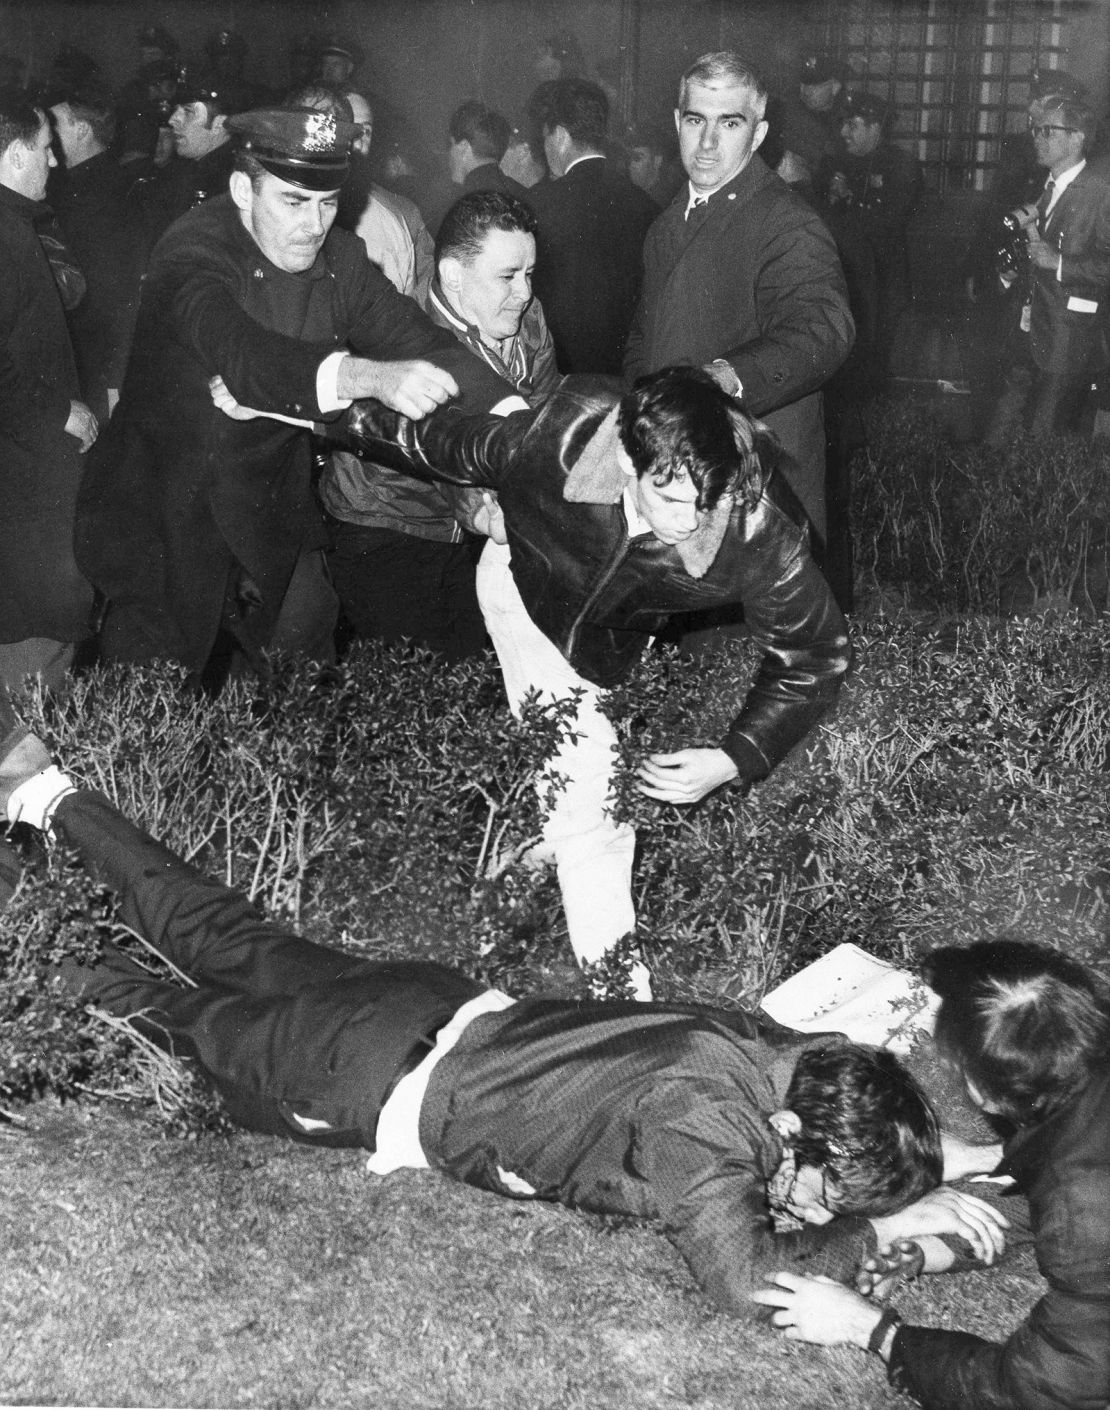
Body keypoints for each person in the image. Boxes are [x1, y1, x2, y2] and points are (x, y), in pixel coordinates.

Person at [0, 710, 1008, 1322]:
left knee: (217, 928)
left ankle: (40, 788)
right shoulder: (702, 1126)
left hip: (422, 999)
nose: (812, 1209)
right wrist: (883, 1234)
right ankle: (19, 959)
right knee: (140, 1012)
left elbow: (853, 1067)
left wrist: (938, 1158)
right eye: (819, 1189)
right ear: (788, 1130)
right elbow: (749, 1284)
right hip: (360, 1078)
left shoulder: (782, 1052)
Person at [253, 365, 852, 997]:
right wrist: (278, 394)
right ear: (626, 457)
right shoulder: (554, 438)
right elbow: (419, 437)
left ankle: (497, 903)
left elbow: (813, 655)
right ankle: (619, 1004)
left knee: (572, 790)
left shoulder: (761, 533)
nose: (694, 522)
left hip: (613, 638)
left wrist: (737, 757)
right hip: (522, 590)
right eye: (673, 499)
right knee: (593, 809)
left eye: (712, 501)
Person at [74, 107, 513, 689]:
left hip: (267, 505)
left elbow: (426, 342)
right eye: (292, 202)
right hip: (163, 513)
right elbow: (243, 354)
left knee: (308, 677)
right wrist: (367, 377)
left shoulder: (341, 258)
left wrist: (515, 421)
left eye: (328, 203)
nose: (314, 225)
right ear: (241, 190)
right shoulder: (193, 251)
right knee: (151, 710)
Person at [753, 938, 1110, 1410]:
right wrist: (928, 1252)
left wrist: (874, 1330)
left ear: (982, 1090)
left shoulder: (1081, 1207)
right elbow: (1051, 1205)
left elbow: (1032, 1391)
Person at [625, 51, 853, 548]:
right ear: (676, 123)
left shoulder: (786, 221)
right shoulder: (666, 224)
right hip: (676, 486)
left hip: (754, 499)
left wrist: (723, 378)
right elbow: (645, 342)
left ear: (759, 134)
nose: (707, 143)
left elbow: (823, 331)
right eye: (695, 120)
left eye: (729, 123)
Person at [319, 189, 558, 660]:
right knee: (415, 688)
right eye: (508, 276)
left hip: (461, 530)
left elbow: (545, 409)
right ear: (452, 276)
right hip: (385, 525)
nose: (525, 293)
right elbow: (443, 452)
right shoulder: (405, 334)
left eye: (529, 274)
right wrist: (485, 509)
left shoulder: (526, 317)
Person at [0, 87, 96, 697]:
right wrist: (57, 412)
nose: (54, 163)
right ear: (11, 155)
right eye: (43, 149)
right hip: (23, 479)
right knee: (36, 648)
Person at [984, 88, 1110, 443]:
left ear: (1077, 139)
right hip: (1026, 335)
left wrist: (1060, 264)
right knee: (998, 440)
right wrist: (1008, 275)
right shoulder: (1042, 188)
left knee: (1042, 440)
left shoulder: (1100, 193)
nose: (1037, 138)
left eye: (1048, 131)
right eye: (1036, 130)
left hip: (1066, 341)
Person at [526, 78, 657, 374]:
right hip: (630, 374)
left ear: (559, 136)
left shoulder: (539, 204)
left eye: (546, 139)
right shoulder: (646, 205)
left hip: (562, 378)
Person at [48, 75, 145, 423]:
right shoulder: (82, 186)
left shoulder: (104, 197)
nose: (48, 133)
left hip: (97, 368)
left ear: (82, 130)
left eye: (56, 125)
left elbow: (118, 298)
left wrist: (113, 382)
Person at [827, 92, 921, 377]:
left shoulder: (901, 166)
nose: (844, 132)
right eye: (843, 124)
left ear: (875, 128)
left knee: (876, 362)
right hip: (846, 280)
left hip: (882, 282)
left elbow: (888, 221)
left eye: (852, 125)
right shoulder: (836, 163)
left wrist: (849, 200)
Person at [447, 100, 530, 203]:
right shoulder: (523, 194)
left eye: (451, 145)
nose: (450, 155)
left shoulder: (461, 204)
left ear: (463, 146)